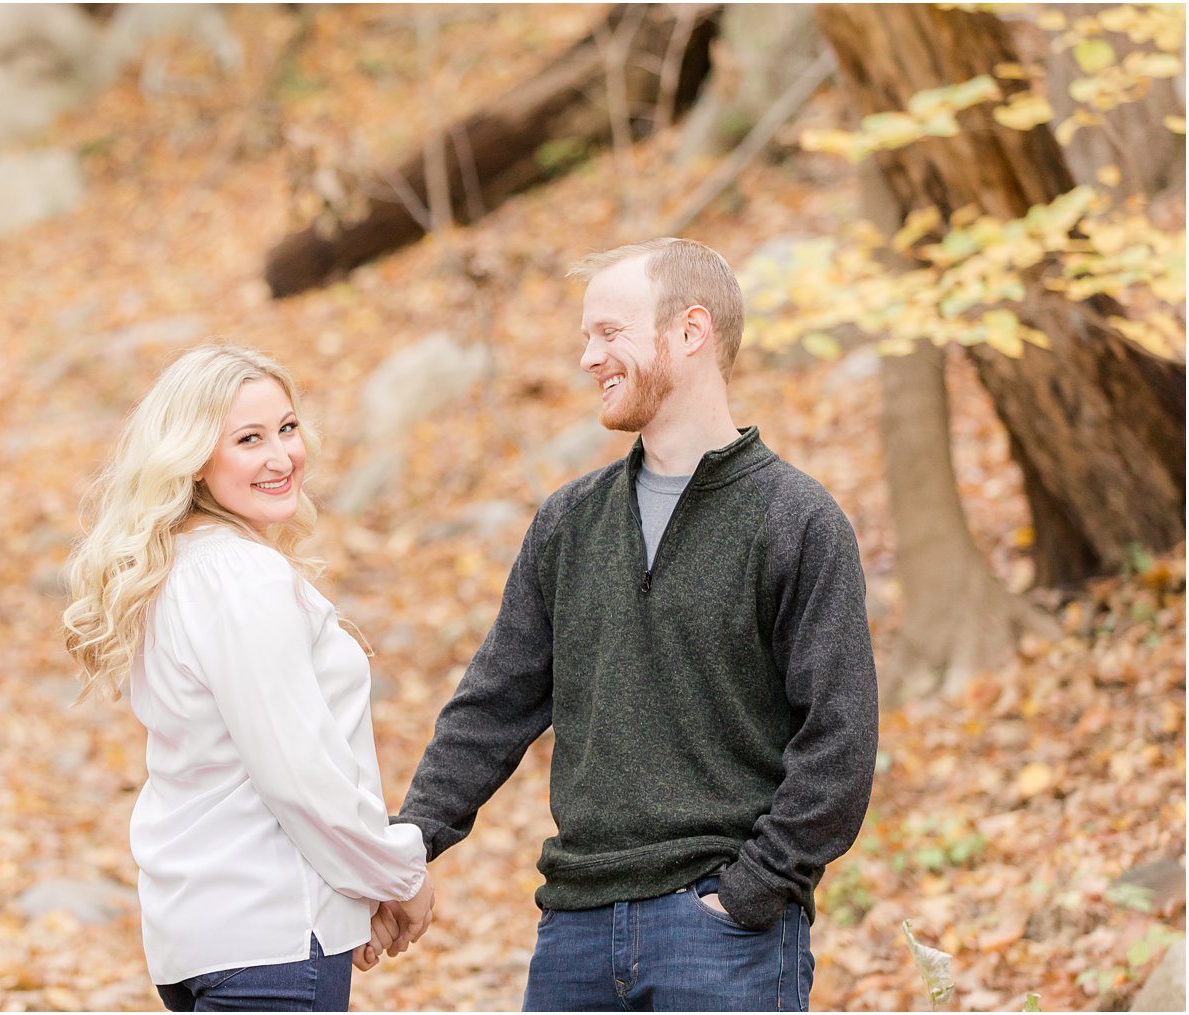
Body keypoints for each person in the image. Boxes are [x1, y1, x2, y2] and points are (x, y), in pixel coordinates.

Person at [393, 239, 879, 1011]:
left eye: (609, 332)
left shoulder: (797, 520)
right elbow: (494, 704)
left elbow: (840, 739)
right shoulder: (569, 522)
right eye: (587, 336)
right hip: (574, 934)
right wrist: (409, 842)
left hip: (722, 935)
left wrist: (752, 892)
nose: (588, 357)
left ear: (691, 331)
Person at [63, 344, 433, 1012]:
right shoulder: (240, 577)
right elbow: (298, 772)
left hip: (206, 935)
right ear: (197, 457)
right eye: (249, 439)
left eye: (287, 428)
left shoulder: (174, 571)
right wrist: (397, 874)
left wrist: (353, 899)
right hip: (271, 937)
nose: (281, 456)